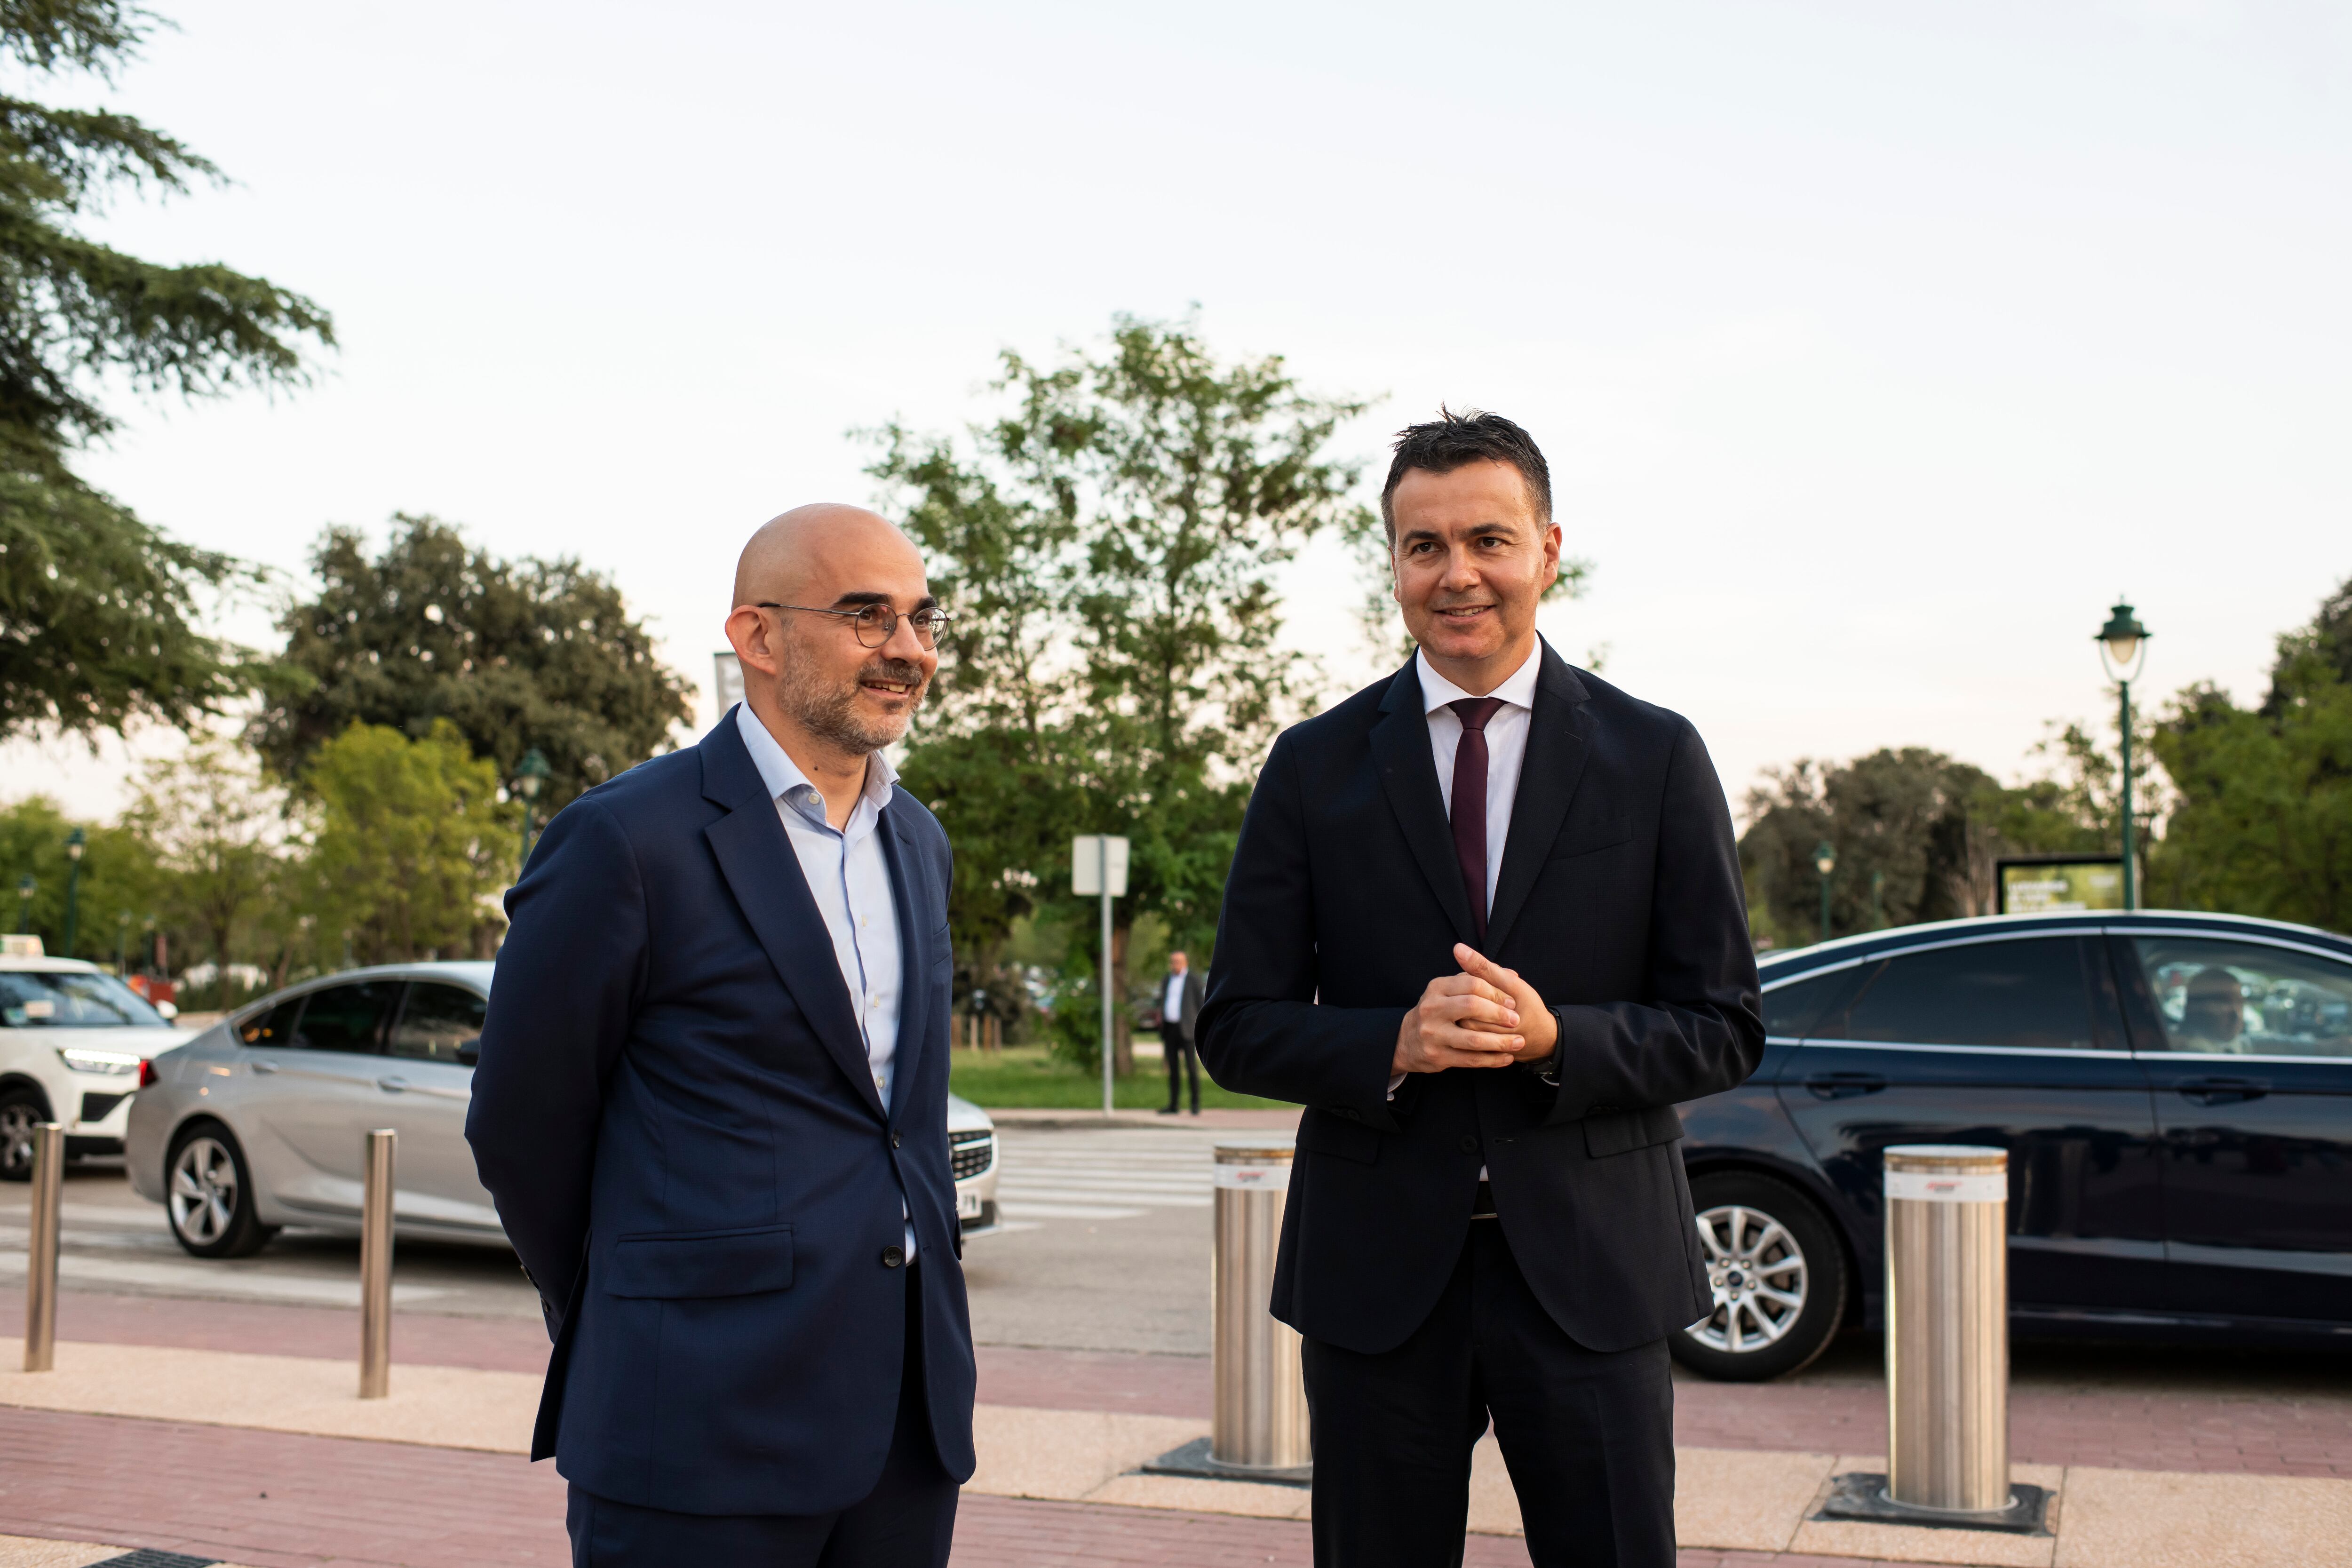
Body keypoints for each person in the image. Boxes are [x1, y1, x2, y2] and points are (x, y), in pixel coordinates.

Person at [1197, 411, 1764, 1568]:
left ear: (1548, 551)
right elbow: (1236, 1027)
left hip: (1595, 1274)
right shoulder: (1313, 763)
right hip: (1377, 1280)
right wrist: (1391, 1045)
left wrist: (1560, 1039)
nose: (1457, 575)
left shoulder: (1656, 757)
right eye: (1423, 547)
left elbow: (1725, 1028)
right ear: (1394, 565)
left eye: (1489, 540)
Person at [466, 505, 975, 1568]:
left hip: (905, 1428)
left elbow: (899, 1122)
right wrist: (625, 1314)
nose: (909, 650)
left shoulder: (916, 841)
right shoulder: (622, 839)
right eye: (866, 616)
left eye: (921, 619)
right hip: (692, 1419)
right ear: (757, 636)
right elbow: (523, 1125)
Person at [1158, 950, 1206, 1115]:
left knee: (1191, 1068)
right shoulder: (1167, 980)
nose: (1175, 965)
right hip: (1170, 1028)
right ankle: (1173, 1104)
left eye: (1178, 962)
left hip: (1187, 1029)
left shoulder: (1193, 980)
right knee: (1173, 1069)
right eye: (1172, 962)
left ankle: (1195, 1104)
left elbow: (1200, 1004)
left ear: (1185, 963)